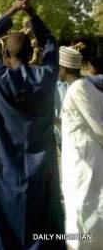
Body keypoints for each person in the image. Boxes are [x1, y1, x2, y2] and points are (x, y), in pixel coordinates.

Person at [0, 0, 65, 250]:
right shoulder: (47, 77)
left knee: (0, 233)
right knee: (45, 232)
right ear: (31, 55)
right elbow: (50, 42)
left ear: (5, 55)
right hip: (41, 179)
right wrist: (32, 13)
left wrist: (13, 10)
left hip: (3, 176)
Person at [60, 46, 103, 250]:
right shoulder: (83, 85)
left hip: (85, 160)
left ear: (64, 68)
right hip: (78, 157)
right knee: (80, 206)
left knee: (83, 208)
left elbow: (98, 128)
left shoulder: (79, 88)